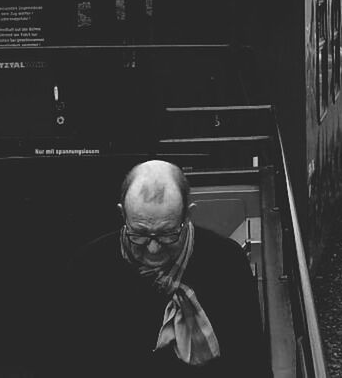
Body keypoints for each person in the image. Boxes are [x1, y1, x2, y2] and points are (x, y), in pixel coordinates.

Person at [57, 159, 269, 376]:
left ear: (188, 214)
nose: (153, 248)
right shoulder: (88, 266)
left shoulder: (225, 261)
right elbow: (72, 363)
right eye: (139, 234)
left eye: (167, 234)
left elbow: (250, 360)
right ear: (123, 215)